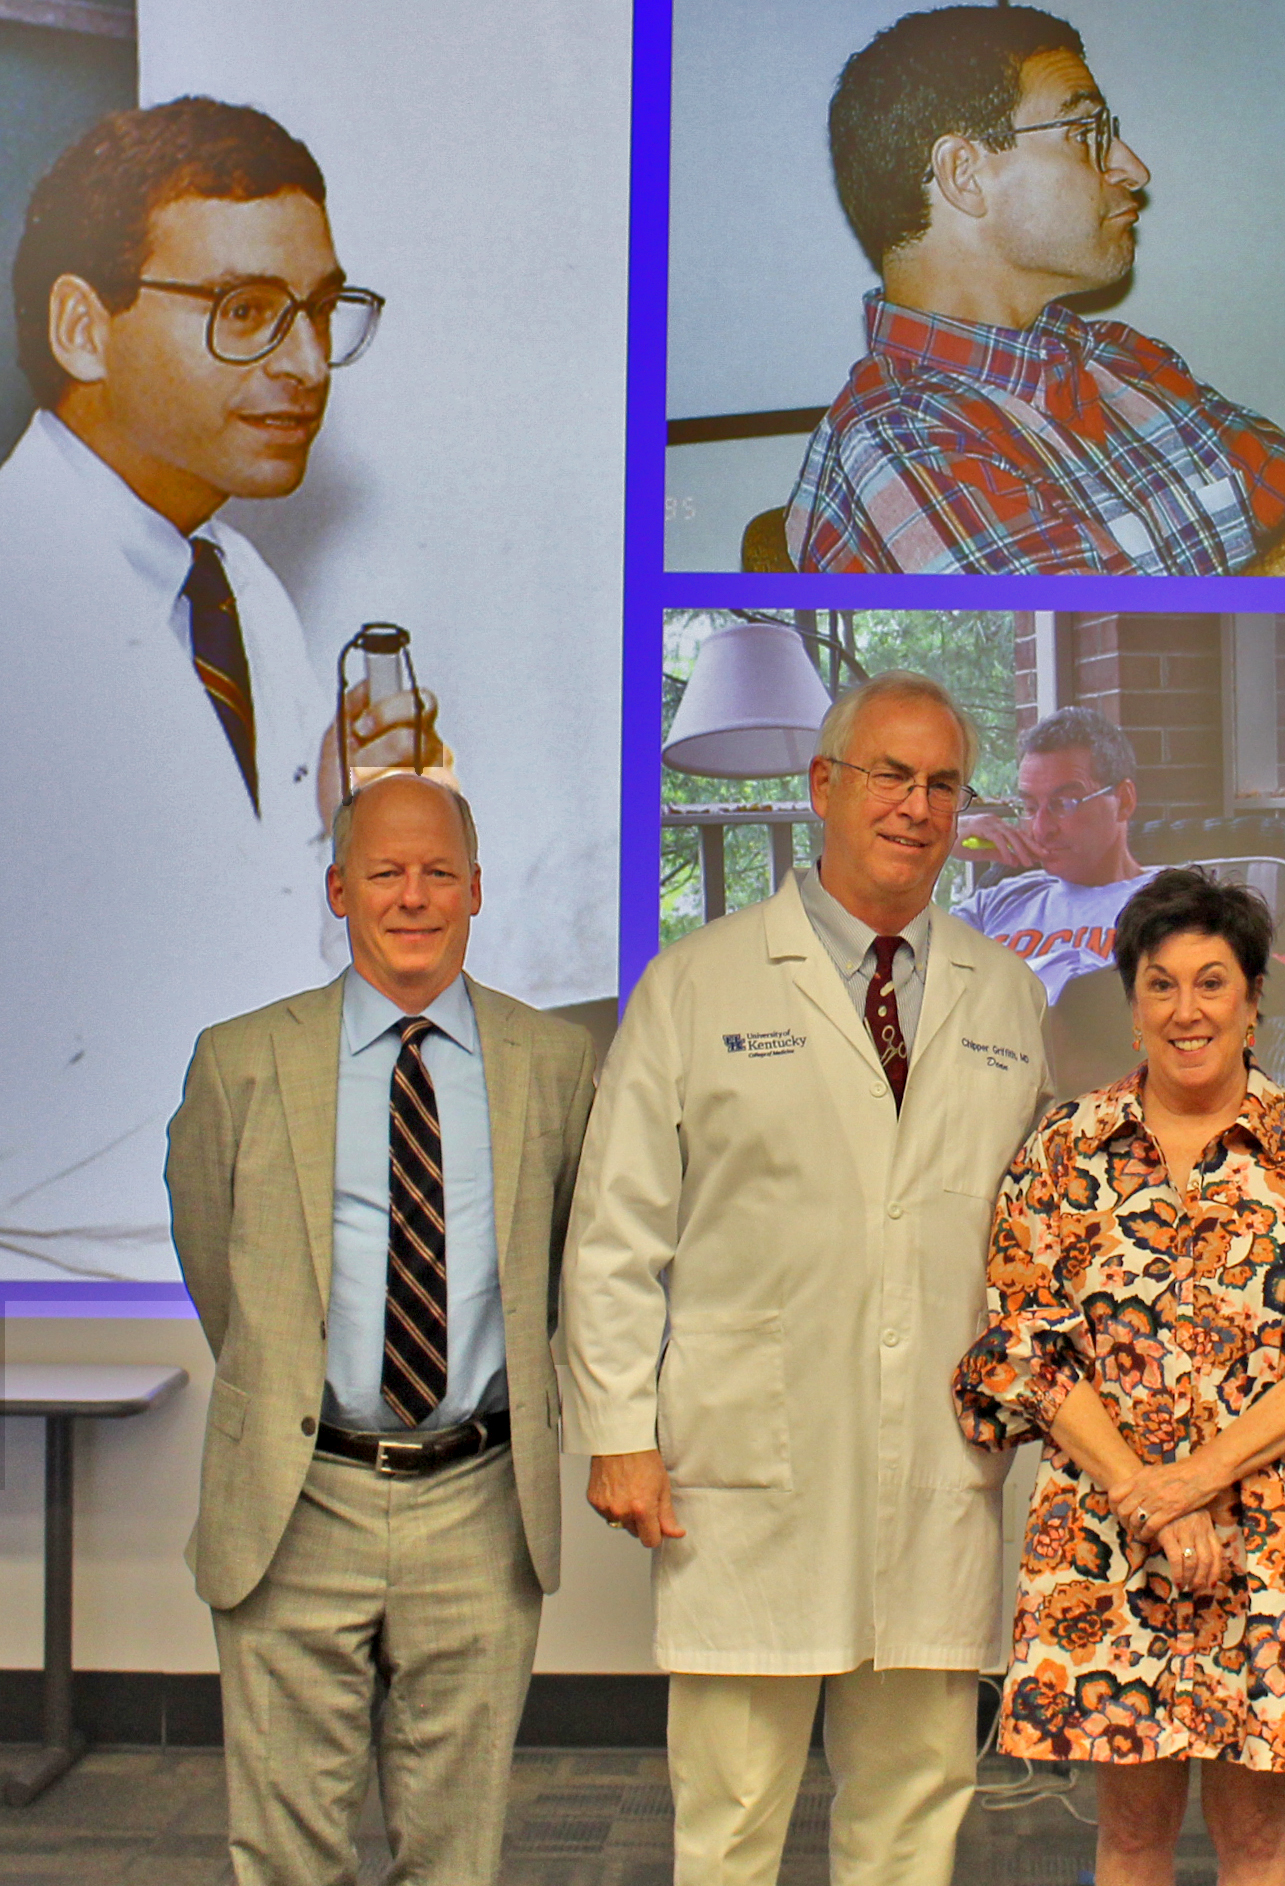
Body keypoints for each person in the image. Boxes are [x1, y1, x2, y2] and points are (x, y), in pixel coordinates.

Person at [562, 671, 1050, 1886]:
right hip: (747, 1464)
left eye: (941, 782)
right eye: (890, 774)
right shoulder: (696, 982)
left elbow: (1025, 1232)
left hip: (934, 1458)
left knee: (916, 1801)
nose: (916, 805)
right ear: (824, 785)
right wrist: (619, 1429)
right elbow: (617, 1229)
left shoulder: (1007, 993)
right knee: (730, 1809)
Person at [1, 97, 434, 1283]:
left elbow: (248, 963)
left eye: (318, 311)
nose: (304, 365)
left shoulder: (234, 579)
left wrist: (349, 817)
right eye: (246, 313)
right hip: (75, 1322)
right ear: (85, 328)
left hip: (253, 1280)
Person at [164, 773, 598, 1884]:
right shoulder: (241, 1060)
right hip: (296, 1497)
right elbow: (220, 1270)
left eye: (439, 871)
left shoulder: (554, 1064)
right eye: (387, 871)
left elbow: (569, 1268)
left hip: (477, 1499)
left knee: (456, 1847)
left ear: (477, 889)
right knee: (284, 1847)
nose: (414, 895)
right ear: (338, 887)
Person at [954, 866, 1285, 1885]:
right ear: (1132, 1002)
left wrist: (1191, 1483)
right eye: (1160, 984)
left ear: (1252, 1001)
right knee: (1130, 1838)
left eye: (1211, 982)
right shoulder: (1065, 1149)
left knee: (1256, 1840)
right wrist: (1143, 1493)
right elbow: (1022, 1347)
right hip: (1108, 1536)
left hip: (1268, 1541)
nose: (1185, 1008)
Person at [786, 4, 1285, 577]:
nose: (1133, 168)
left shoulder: (1122, 363)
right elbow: (1192, 645)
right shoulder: (902, 440)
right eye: (1085, 133)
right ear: (963, 174)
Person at [954, 704, 1157, 1000]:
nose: (1040, 828)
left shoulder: (1173, 902)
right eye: (1030, 807)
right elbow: (896, 960)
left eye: (1063, 804)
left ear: (1123, 802)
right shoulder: (997, 904)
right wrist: (943, 839)